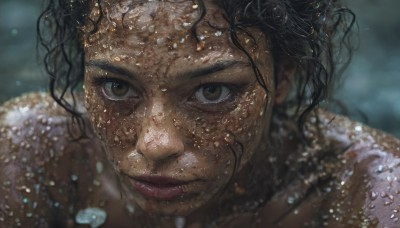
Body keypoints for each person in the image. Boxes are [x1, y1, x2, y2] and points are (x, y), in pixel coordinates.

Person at [1, 0, 399, 227]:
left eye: (212, 92)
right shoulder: (32, 154)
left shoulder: (373, 193)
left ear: (284, 78)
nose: (156, 144)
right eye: (117, 87)